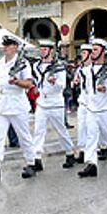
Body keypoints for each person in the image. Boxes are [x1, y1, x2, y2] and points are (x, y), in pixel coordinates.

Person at [0, 35, 36, 182]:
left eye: (8, 45)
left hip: (17, 103)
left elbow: (29, 84)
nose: (5, 47)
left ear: (15, 47)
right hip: (2, 102)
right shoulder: (0, 62)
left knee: (23, 136)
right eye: (4, 45)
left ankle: (31, 163)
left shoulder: (23, 63)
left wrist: (17, 82)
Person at [79, 38, 107, 178]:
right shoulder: (88, 70)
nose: (92, 52)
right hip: (92, 108)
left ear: (104, 52)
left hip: (106, 109)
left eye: (95, 50)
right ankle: (91, 164)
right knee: (91, 136)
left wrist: (106, 88)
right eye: (92, 49)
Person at [30, 40, 76, 170]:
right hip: (42, 101)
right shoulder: (37, 66)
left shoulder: (59, 67)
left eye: (45, 49)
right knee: (38, 131)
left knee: (61, 131)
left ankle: (69, 153)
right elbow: (37, 80)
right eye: (41, 49)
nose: (42, 51)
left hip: (55, 102)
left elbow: (62, 85)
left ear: (51, 51)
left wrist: (54, 82)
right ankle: (37, 159)